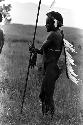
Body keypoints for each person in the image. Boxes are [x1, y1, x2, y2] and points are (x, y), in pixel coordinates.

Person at [29, 11, 64, 118]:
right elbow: (44, 50)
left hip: (51, 70)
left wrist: (34, 50)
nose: (46, 25)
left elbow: (41, 49)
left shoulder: (53, 35)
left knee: (47, 95)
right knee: (45, 94)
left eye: (48, 23)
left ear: (53, 24)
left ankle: (49, 117)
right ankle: (46, 116)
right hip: (52, 69)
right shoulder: (59, 33)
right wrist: (35, 51)